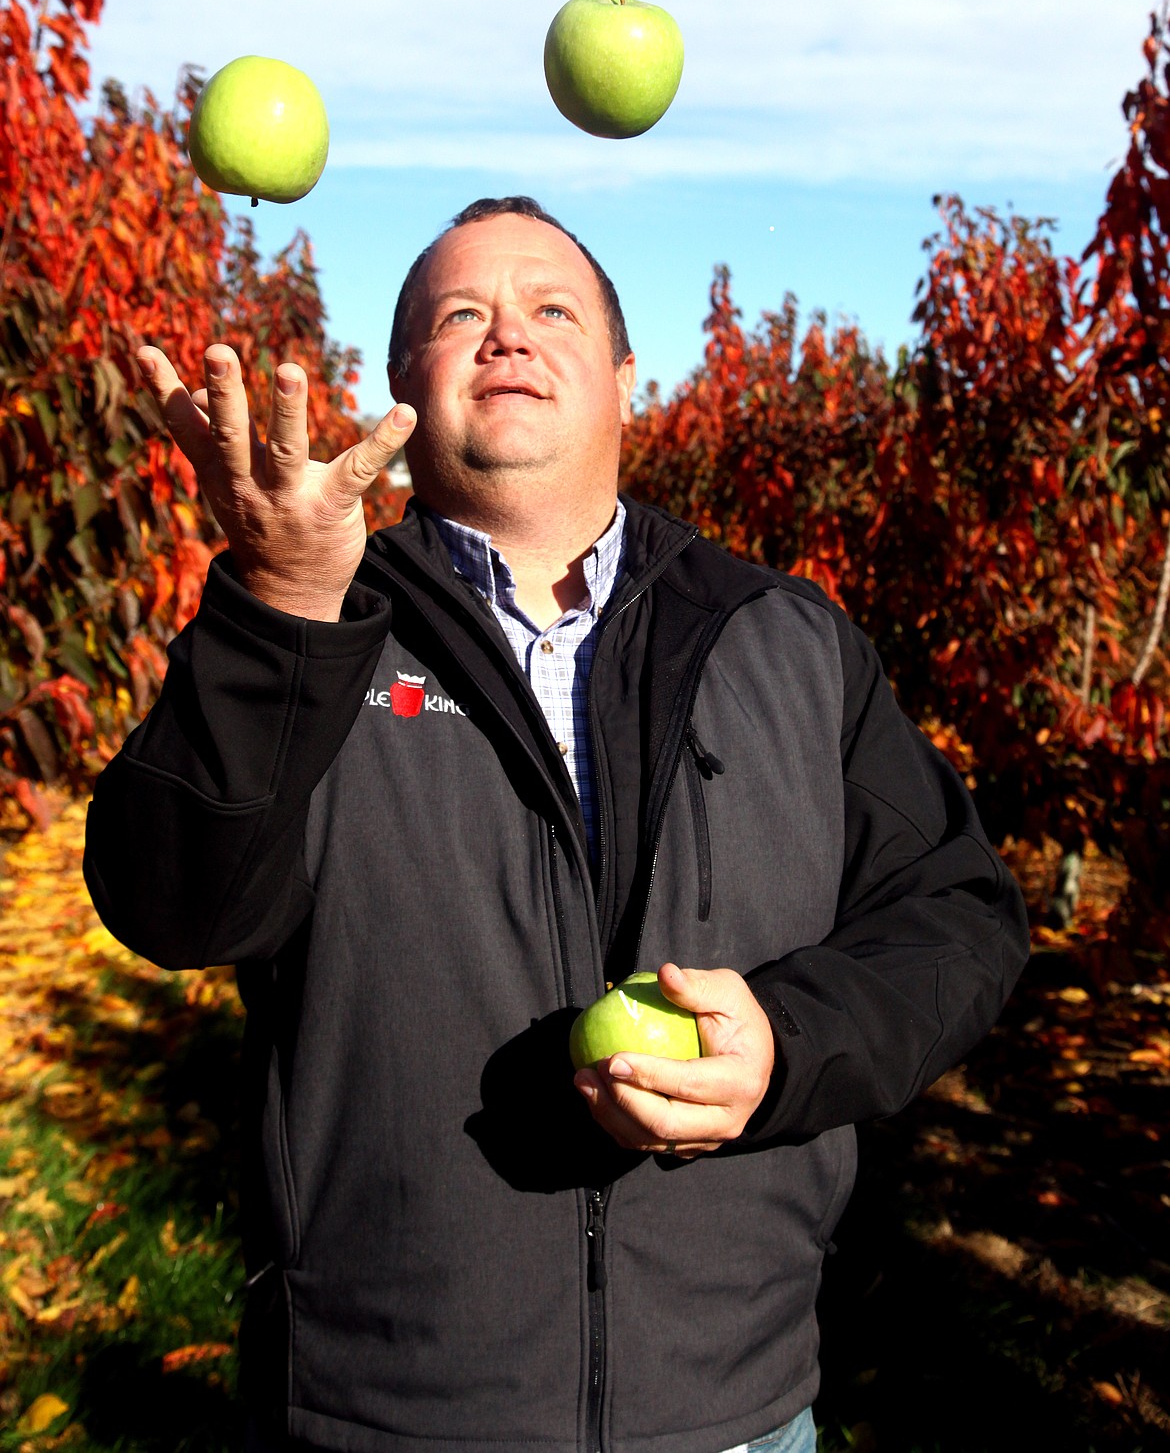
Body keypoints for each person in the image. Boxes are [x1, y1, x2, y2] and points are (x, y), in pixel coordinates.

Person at [83, 197, 1030, 1453]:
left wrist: (789, 1045)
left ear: (630, 382)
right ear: (400, 385)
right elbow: (172, 906)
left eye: (552, 310)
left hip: (733, 1413)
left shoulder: (783, 638)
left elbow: (959, 917)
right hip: (386, 1419)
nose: (508, 338)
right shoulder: (318, 629)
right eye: (460, 316)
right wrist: (282, 611)